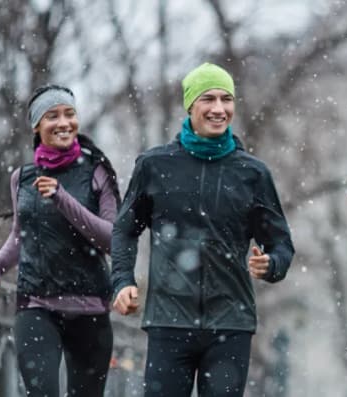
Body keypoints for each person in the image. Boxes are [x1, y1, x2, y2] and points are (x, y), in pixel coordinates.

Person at [110, 62, 294, 397]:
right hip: (168, 321)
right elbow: (124, 230)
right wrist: (122, 280)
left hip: (231, 323)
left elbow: (281, 244)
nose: (219, 109)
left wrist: (271, 265)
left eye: (227, 99)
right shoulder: (154, 165)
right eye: (208, 99)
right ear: (190, 105)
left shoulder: (252, 173)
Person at [0, 84, 119, 397]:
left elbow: (112, 239)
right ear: (36, 125)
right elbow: (19, 235)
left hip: (90, 307)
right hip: (36, 304)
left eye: (70, 114)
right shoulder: (22, 177)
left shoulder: (97, 173)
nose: (64, 122)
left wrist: (61, 198)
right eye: (52, 115)